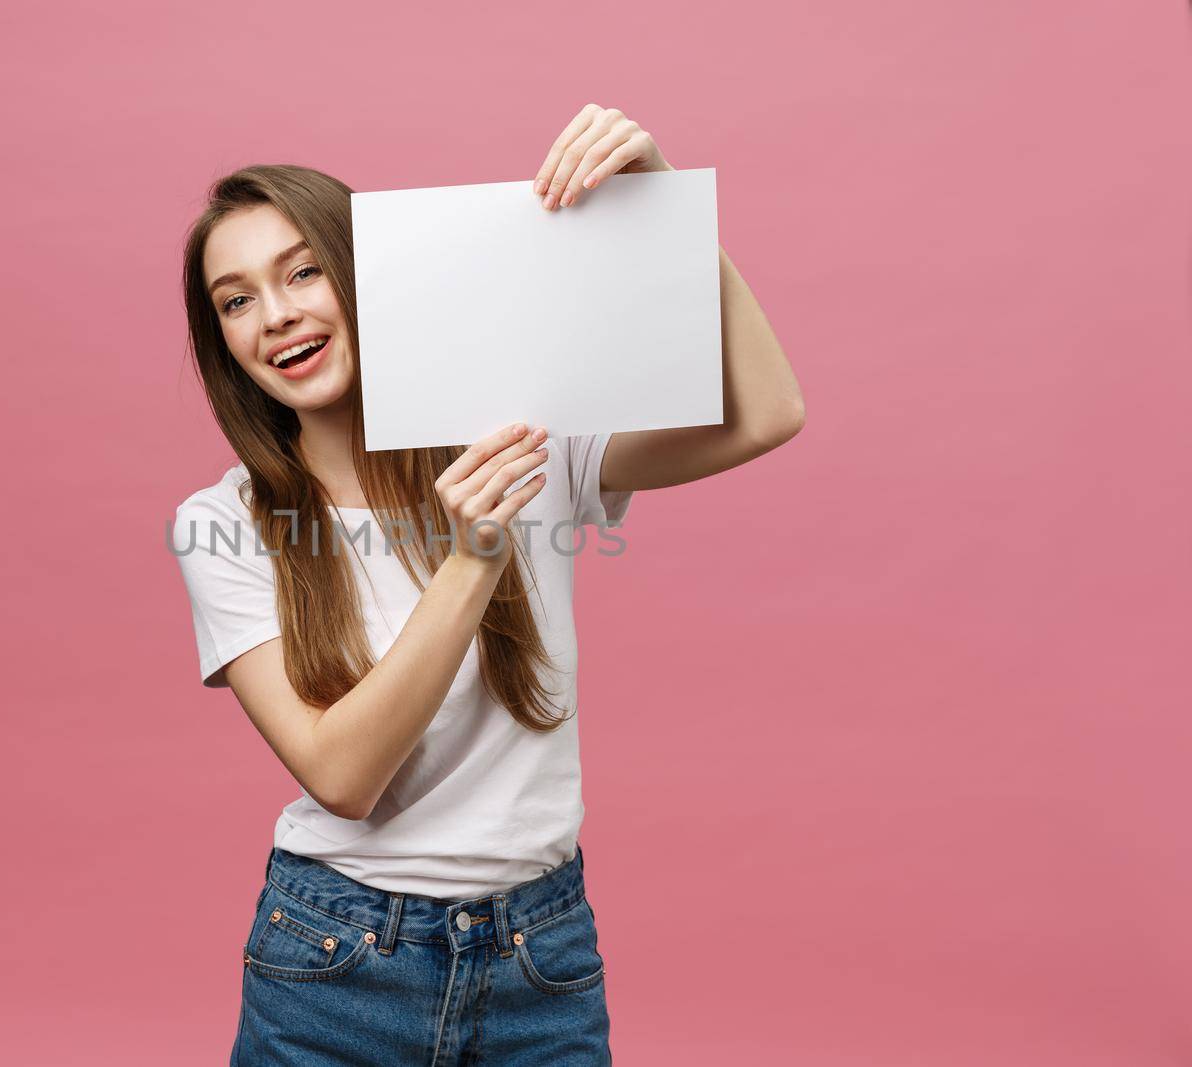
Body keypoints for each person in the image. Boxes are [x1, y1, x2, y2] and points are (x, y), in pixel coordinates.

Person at [169, 104, 805, 1065]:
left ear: (364, 273)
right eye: (237, 299)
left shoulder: (515, 439)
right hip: (334, 963)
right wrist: (470, 560)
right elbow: (341, 776)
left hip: (537, 957)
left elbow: (766, 412)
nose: (279, 313)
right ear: (224, 341)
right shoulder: (222, 524)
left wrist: (665, 216)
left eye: (302, 271)